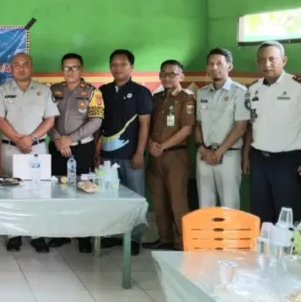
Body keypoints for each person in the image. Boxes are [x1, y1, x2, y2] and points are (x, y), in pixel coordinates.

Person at [243, 41, 301, 224]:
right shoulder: (253, 89)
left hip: (288, 161)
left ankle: (286, 245)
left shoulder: (300, 86)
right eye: (262, 60)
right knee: (260, 214)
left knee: (287, 216)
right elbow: (251, 126)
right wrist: (246, 156)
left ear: (284, 60)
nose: (267, 64)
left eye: (272, 59)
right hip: (259, 160)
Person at [0, 53, 58, 253]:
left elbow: (50, 119)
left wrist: (31, 138)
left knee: (38, 192)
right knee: (11, 191)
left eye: (25, 64)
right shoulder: (2, 90)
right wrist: (18, 139)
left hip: (36, 147)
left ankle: (37, 235)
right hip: (11, 148)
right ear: (11, 68)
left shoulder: (44, 90)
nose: (21, 68)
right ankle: (13, 235)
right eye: (17, 65)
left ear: (31, 67)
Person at [48, 53, 105, 253]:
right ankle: (61, 234)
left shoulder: (93, 92)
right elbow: (46, 119)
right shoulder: (53, 90)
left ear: (82, 69)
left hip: (82, 148)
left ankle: (84, 236)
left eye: (74, 67)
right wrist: (58, 139)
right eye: (66, 67)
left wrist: (70, 139)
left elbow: (96, 122)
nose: (70, 71)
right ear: (61, 70)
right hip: (57, 148)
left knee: (83, 190)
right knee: (57, 190)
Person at [98, 49, 152, 255]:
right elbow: (98, 123)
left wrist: (140, 152)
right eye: (114, 64)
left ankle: (135, 237)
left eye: (123, 64)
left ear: (132, 67)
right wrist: (97, 150)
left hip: (131, 156)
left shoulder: (141, 92)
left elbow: (145, 124)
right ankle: (113, 235)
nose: (117, 68)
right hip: (107, 157)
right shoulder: (102, 92)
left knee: (135, 198)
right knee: (109, 197)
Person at [142, 60, 195, 251]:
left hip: (175, 156)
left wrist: (163, 146)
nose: (167, 78)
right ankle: (165, 238)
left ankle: (182, 242)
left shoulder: (187, 98)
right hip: (155, 157)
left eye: (172, 74)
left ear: (181, 76)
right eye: (163, 74)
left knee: (178, 201)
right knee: (159, 200)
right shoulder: (156, 98)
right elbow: (146, 125)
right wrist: (150, 143)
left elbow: (187, 129)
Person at [195, 48, 249, 209]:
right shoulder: (202, 93)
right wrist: (202, 150)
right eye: (211, 64)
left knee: (229, 205)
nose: (214, 67)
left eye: (219, 63)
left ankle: (230, 230)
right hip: (204, 155)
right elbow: (198, 124)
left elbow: (241, 127)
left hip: (228, 155)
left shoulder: (240, 92)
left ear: (229, 66)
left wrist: (219, 152)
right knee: (205, 205)